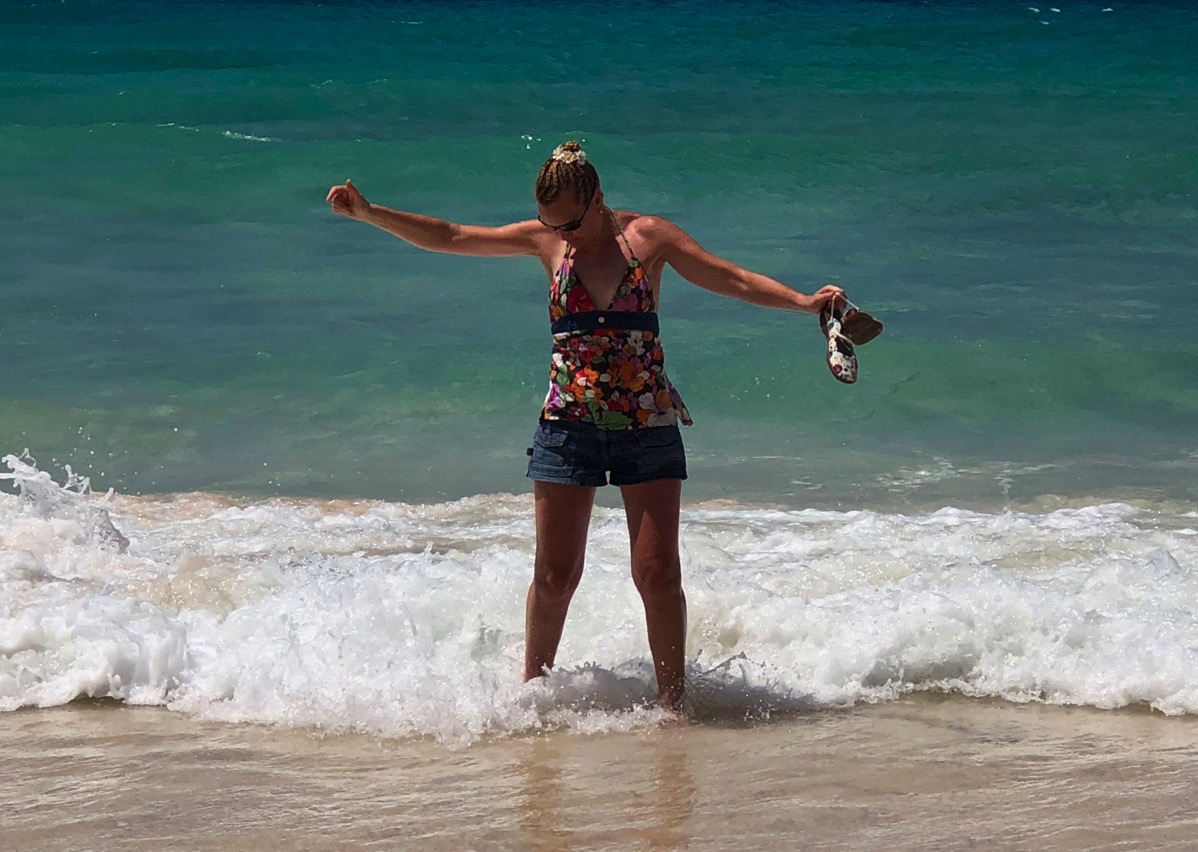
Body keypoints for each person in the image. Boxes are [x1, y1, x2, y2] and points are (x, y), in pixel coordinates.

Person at [326, 141, 844, 714]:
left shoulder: (650, 239)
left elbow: (734, 280)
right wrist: (371, 213)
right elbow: (450, 234)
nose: (564, 234)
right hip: (567, 426)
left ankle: (674, 710)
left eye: (571, 221)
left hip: (646, 425)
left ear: (597, 198)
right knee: (554, 576)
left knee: (657, 576)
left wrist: (804, 304)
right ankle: (532, 699)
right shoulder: (545, 240)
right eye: (554, 224)